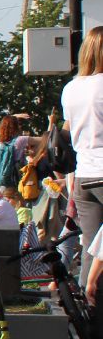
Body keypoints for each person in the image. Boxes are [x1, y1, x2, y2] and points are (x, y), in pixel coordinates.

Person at [63, 28, 103, 289]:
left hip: (84, 176)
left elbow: (67, 130)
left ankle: (89, 307)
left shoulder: (71, 88)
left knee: (91, 247)